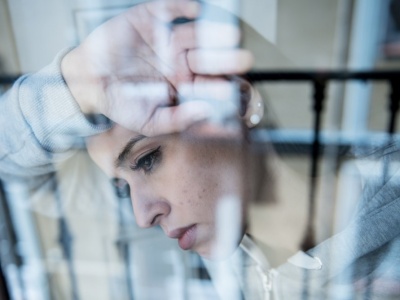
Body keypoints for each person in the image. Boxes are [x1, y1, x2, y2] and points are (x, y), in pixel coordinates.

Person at [1, 1, 400, 300]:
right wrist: (77, 81)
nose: (142, 215)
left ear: (241, 102)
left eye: (147, 159)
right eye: (121, 187)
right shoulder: (218, 238)